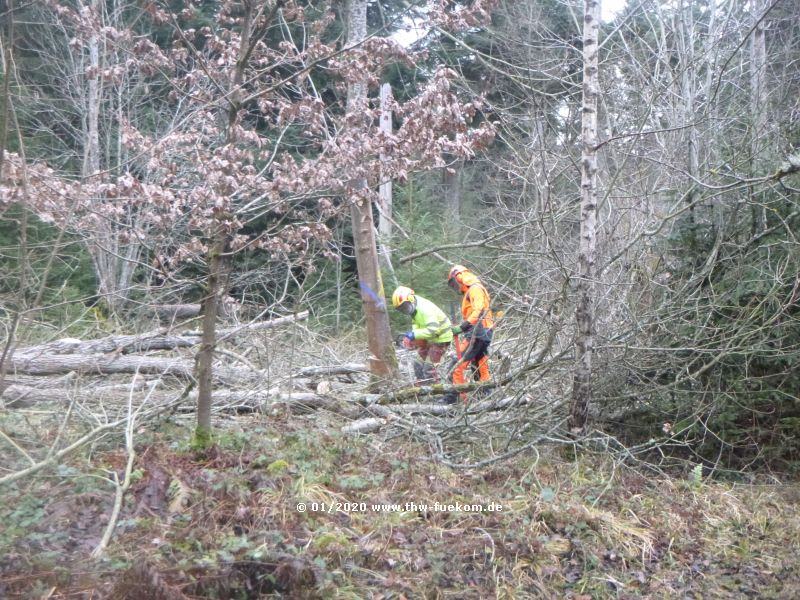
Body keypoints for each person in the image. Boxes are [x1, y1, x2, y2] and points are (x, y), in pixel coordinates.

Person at [391, 286, 453, 386]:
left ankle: (436, 391)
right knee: (417, 365)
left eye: (405, 307)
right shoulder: (415, 309)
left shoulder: (424, 308)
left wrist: (414, 335)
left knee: (429, 368)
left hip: (441, 338)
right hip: (430, 339)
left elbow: (433, 329)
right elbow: (417, 325)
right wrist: (413, 338)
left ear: (411, 299)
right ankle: (423, 390)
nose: (405, 311)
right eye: (402, 309)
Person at [447, 265, 494, 393]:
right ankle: (486, 395)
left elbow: (478, 311)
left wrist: (463, 326)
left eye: (454, 282)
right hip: (483, 331)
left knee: (456, 365)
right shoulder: (472, 289)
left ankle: (452, 398)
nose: (455, 287)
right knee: (480, 364)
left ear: (459, 276)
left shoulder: (475, 288)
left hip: (478, 332)